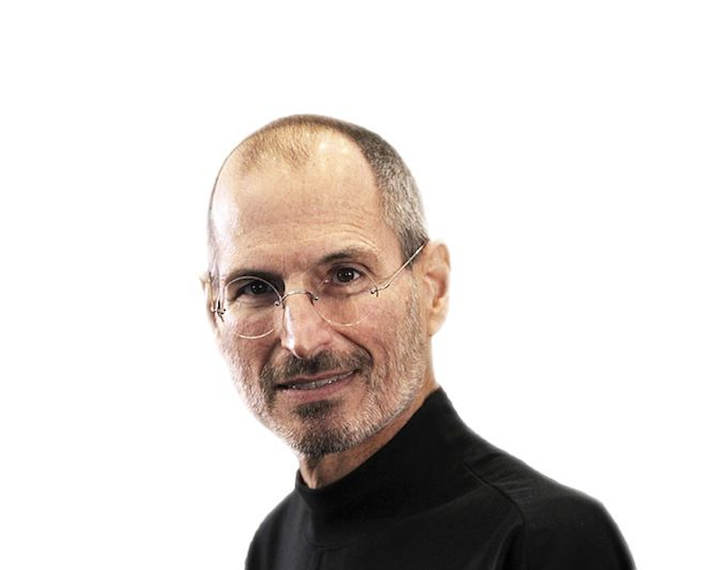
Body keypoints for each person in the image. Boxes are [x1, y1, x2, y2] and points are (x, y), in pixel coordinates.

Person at [203, 115, 635, 569]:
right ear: (214, 313)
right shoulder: (273, 545)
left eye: (345, 276)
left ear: (433, 288)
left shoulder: (541, 542)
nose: (301, 338)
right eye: (254, 288)